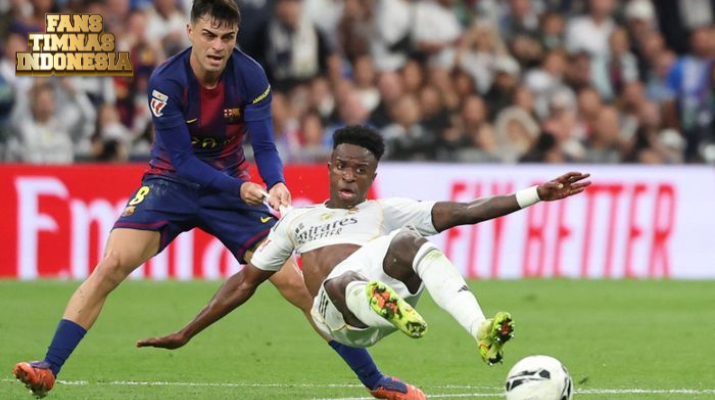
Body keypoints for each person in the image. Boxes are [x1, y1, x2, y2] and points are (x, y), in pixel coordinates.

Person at [13, 2, 397, 399]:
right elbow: (182, 160)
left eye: (227, 37)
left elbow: (264, 145)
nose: (218, 46)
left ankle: (377, 381)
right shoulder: (166, 81)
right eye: (209, 35)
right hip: (170, 184)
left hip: (229, 189)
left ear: (235, 37)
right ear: (190, 31)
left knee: (296, 285)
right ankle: (48, 367)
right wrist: (237, 188)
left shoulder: (250, 75)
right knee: (111, 265)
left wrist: (277, 181)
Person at [136, 125, 592, 399]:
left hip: (383, 308)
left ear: (373, 175)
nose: (349, 176)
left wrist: (537, 194)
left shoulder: (384, 210)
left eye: (360, 170)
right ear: (329, 166)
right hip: (336, 318)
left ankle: (480, 330)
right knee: (343, 278)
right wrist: (186, 332)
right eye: (342, 166)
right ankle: (372, 297)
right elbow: (246, 282)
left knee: (410, 241)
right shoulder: (297, 220)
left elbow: (466, 211)